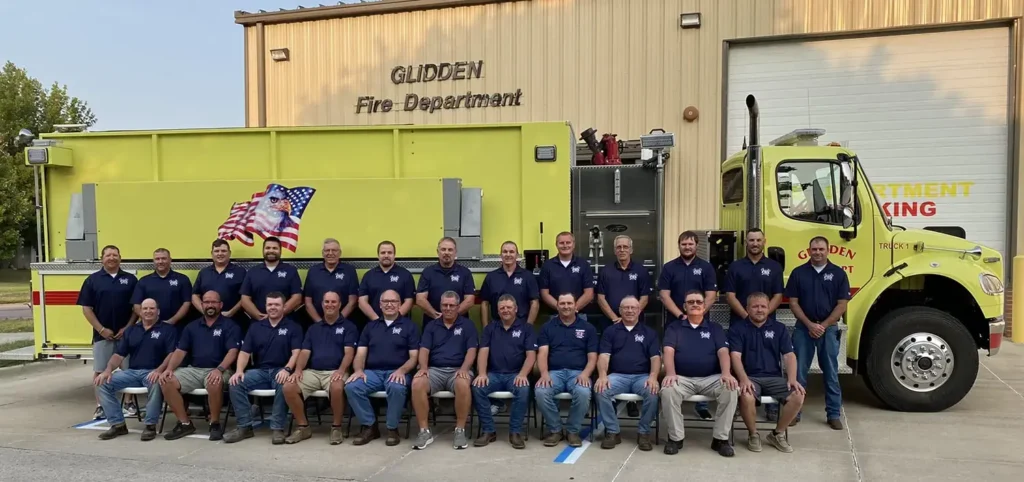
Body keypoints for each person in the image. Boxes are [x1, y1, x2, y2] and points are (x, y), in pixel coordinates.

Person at [659, 290, 738, 457]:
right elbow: (668, 351)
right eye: (690, 302)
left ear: (705, 306)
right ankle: (675, 438)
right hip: (682, 378)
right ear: (684, 306)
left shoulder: (715, 328)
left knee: (731, 388)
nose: (695, 304)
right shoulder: (674, 328)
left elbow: (723, 351)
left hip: (711, 378)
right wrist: (670, 373)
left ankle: (720, 439)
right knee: (667, 390)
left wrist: (726, 373)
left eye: (699, 302)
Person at [785, 236, 850, 430]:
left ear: (828, 250)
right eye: (814, 249)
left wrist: (823, 325)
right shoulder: (799, 273)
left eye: (821, 249)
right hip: (803, 329)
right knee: (798, 373)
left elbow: (842, 304)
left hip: (828, 330)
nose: (818, 252)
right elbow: (793, 302)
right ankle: (795, 412)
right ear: (809, 250)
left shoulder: (838, 274)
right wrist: (809, 324)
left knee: (831, 372)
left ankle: (833, 414)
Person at [158, 291, 241, 441]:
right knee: (166, 380)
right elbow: (180, 351)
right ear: (201, 305)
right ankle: (185, 423)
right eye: (206, 302)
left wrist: (219, 369)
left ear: (220, 305)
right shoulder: (192, 327)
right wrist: (169, 369)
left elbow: (233, 351)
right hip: (194, 369)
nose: (210, 305)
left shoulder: (230, 326)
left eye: (213, 302)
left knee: (214, 381)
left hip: (220, 369)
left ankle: (214, 423)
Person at [729, 292, 806, 453]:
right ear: (747, 309)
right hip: (750, 378)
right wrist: (743, 379)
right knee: (746, 395)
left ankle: (777, 434)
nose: (759, 310)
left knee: (798, 394)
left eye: (763, 306)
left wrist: (792, 379)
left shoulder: (779, 328)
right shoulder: (738, 329)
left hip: (774, 378)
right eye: (755, 306)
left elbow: (789, 355)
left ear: (769, 308)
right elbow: (735, 356)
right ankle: (753, 434)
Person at [223, 292, 303, 444]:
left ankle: (278, 428)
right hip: (259, 372)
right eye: (270, 304)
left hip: (281, 370)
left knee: (284, 385)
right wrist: (239, 371)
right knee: (235, 383)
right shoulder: (255, 327)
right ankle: (244, 427)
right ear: (266, 306)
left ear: (284, 306)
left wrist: (287, 369)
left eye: (277, 304)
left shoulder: (293, 327)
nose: (273, 307)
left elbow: (296, 353)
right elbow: (245, 352)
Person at [723, 228, 785, 422]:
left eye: (758, 240)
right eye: (751, 240)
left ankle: (772, 406)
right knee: (738, 361)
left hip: (767, 324)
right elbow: (730, 295)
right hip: (740, 322)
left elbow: (778, 295)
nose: (755, 243)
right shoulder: (735, 267)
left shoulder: (774, 267)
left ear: (764, 241)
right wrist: (746, 315)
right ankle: (741, 403)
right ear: (746, 242)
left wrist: (763, 315)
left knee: (770, 361)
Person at [282, 291, 359, 445]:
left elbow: (349, 353)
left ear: (339, 304)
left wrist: (342, 370)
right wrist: (297, 371)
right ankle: (303, 427)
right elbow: (304, 352)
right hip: (313, 372)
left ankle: (336, 427)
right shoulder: (314, 328)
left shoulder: (349, 327)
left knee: (337, 387)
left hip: (336, 371)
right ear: (322, 304)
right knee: (288, 387)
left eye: (333, 302)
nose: (330, 305)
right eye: (327, 302)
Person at [345, 289, 420, 446]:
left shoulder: (409, 327)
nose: (389, 305)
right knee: (352, 386)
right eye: (386, 302)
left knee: (396, 387)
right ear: (380, 305)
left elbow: (414, 357)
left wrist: (402, 371)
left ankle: (392, 428)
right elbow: (360, 355)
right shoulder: (370, 327)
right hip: (372, 373)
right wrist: (358, 370)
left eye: (393, 301)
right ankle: (370, 426)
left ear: (400, 304)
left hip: (398, 372)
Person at [94, 298, 177, 441]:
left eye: (152, 308)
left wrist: (159, 370)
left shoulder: (167, 330)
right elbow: (119, 354)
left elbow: (172, 353)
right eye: (145, 309)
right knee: (102, 382)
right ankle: (118, 424)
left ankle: (150, 425)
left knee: (156, 382)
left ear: (158, 311)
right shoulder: (132, 330)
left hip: (153, 371)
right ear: (140, 311)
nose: (148, 311)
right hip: (132, 372)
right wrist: (107, 370)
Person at [658, 230, 719, 419]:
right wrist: (680, 314)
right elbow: (664, 295)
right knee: (673, 356)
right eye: (684, 244)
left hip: (700, 323)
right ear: (679, 245)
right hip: (675, 322)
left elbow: (711, 295)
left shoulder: (706, 267)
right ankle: (672, 397)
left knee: (701, 358)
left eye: (690, 244)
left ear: (696, 245)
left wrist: (697, 312)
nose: (687, 247)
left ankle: (701, 404)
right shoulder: (669, 268)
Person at [411, 291, 479, 450]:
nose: (448, 308)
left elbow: (472, 350)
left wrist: (464, 368)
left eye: (452, 305)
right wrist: (424, 367)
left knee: (463, 383)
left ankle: (460, 430)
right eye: (445, 305)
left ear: (458, 306)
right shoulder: (432, 325)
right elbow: (424, 349)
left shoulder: (467, 325)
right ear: (440, 306)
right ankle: (424, 431)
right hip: (435, 370)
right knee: (417, 382)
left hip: (458, 369)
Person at [77, 244, 138, 420]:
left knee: (129, 370)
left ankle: (128, 403)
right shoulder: (92, 280)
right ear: (102, 259)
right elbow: (87, 309)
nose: (112, 258)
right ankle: (101, 406)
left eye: (115, 255)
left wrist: (127, 327)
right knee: (100, 370)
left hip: (126, 335)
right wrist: (101, 329)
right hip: (101, 335)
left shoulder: (130, 280)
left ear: (120, 257)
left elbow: (136, 308)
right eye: (108, 255)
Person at [594, 296, 660, 451]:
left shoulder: (649, 332)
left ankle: (644, 433)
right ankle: (612, 431)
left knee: (653, 392)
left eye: (633, 308)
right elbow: (603, 356)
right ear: (620, 310)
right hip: (618, 376)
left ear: (639, 310)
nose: (630, 311)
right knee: (601, 389)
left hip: (642, 377)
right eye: (626, 308)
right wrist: (602, 376)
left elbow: (656, 358)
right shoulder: (610, 331)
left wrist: (653, 376)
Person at [473, 294, 537, 449]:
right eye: (502, 308)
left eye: (509, 307)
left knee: (523, 389)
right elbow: (483, 352)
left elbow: (531, 355)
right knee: (477, 387)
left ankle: (515, 432)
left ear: (516, 309)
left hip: (515, 375)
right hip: (493, 374)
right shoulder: (490, 328)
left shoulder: (526, 328)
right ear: (498, 310)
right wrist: (482, 373)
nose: (505, 310)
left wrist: (523, 374)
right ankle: (489, 430)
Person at [535, 292, 598, 448]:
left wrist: (585, 374)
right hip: (554, 373)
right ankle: (556, 430)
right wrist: (543, 374)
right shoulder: (547, 327)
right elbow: (542, 353)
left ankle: (572, 431)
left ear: (576, 306)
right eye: (562, 304)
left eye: (569, 303)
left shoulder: (588, 328)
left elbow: (593, 357)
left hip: (578, 373)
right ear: (557, 306)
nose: (566, 306)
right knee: (540, 391)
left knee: (583, 393)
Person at [240, 237, 304, 323]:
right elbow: (245, 299)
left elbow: (297, 297)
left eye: (275, 248)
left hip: (285, 322)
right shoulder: (252, 271)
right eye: (268, 248)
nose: (271, 251)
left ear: (280, 251)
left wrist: (278, 314)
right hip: (259, 323)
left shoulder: (291, 270)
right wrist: (259, 316)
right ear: (263, 250)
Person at [191, 239, 248, 333]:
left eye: (223, 251)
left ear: (229, 253)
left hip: (235, 321)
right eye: (216, 251)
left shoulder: (240, 272)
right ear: (212, 254)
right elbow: (195, 295)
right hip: (209, 323)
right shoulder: (204, 273)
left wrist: (231, 312)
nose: (220, 254)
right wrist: (206, 312)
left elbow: (245, 296)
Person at [415, 237, 476, 325]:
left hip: (459, 324)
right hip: (433, 322)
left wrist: (452, 316)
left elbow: (470, 300)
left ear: (455, 252)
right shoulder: (428, 272)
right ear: (438, 252)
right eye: (443, 249)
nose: (446, 252)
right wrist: (436, 316)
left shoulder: (465, 273)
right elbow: (420, 299)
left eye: (450, 250)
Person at [479, 241, 540, 327]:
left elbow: (534, 303)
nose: (508, 254)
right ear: (501, 255)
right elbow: (484, 303)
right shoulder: (491, 277)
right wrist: (486, 328)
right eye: (505, 252)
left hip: (521, 325)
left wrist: (528, 327)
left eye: (511, 252)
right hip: (497, 326)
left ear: (517, 255)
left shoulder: (528, 276)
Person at [131, 248, 193, 330]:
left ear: (170, 260)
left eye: (164, 258)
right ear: (153, 261)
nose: (160, 261)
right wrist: (149, 320)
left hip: (176, 328)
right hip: (150, 328)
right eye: (157, 259)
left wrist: (172, 321)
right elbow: (136, 305)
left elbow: (187, 303)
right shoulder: (144, 281)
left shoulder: (183, 279)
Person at [539, 232, 594, 318]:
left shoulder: (584, 264)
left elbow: (589, 293)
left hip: (579, 315)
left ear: (573, 244)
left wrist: (573, 309)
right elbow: (544, 294)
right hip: (555, 315)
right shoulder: (547, 266)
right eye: (561, 243)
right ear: (556, 245)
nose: (565, 245)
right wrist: (561, 308)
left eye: (568, 242)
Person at [303, 238, 359, 322]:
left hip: (342, 323)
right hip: (317, 323)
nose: (330, 253)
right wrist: (320, 323)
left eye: (334, 250)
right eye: (327, 250)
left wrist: (337, 321)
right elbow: (308, 302)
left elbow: (353, 301)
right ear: (322, 253)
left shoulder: (349, 271)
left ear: (340, 253)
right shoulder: (313, 271)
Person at [358, 241, 415, 321]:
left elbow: (409, 301)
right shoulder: (368, 275)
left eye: (389, 252)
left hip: (399, 324)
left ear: (394, 255)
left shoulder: (405, 275)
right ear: (378, 255)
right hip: (374, 324)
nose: (386, 255)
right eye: (383, 253)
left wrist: (393, 320)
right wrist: (377, 320)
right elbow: (362, 302)